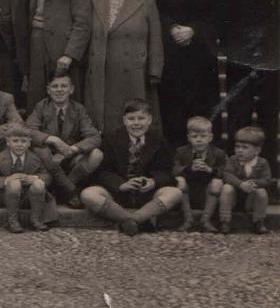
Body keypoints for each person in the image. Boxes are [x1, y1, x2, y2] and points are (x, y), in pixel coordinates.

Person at [154, 0, 222, 145]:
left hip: (200, 55)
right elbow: (157, 9)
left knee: (202, 106)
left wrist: (193, 30)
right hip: (172, 54)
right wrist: (172, 28)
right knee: (172, 107)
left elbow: (218, 15)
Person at [84, 0, 164, 133]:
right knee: (104, 118)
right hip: (102, 69)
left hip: (134, 72)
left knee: (133, 116)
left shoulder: (146, 1)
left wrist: (155, 71)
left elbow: (155, 38)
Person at [219, 0, 278, 164]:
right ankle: (237, 173)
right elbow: (224, 16)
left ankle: (269, 176)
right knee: (237, 116)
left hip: (272, 61)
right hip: (240, 61)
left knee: (269, 118)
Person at [80, 99, 183, 236]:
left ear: (149, 120)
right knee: (88, 194)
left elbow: (166, 171)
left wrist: (153, 182)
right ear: (124, 120)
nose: (136, 123)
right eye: (131, 119)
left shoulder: (159, 140)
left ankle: (134, 219)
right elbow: (102, 171)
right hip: (118, 193)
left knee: (175, 193)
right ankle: (136, 220)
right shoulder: (111, 139)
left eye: (141, 118)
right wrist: (121, 184)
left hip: (147, 194)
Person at [26, 0, 92, 109]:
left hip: (62, 47)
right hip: (36, 43)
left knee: (65, 98)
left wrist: (69, 54)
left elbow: (83, 21)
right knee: (38, 95)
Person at [26, 73, 103, 208]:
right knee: (40, 150)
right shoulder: (41, 107)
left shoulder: (78, 109)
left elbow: (94, 137)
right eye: (55, 86)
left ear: (71, 89)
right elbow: (29, 131)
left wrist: (73, 149)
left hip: (69, 158)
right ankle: (69, 191)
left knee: (97, 154)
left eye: (64, 86)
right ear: (48, 90)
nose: (59, 90)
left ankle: (64, 187)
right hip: (47, 159)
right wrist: (53, 139)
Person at [0, 123, 55, 233]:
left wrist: (34, 177)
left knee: (39, 184)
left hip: (29, 197)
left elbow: (47, 177)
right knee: (14, 184)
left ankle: (36, 219)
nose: (19, 145)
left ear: (29, 143)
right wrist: (8, 179)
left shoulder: (35, 158)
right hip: (6, 196)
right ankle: (12, 220)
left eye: (23, 141)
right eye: (15, 141)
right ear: (8, 142)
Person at [172, 116, 227, 233]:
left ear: (210, 137)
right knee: (180, 181)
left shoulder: (218, 153)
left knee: (216, 183)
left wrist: (210, 170)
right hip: (189, 191)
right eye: (194, 136)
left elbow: (225, 171)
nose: (199, 139)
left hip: (208, 192)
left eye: (203, 136)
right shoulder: (181, 152)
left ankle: (205, 220)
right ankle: (188, 220)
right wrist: (188, 169)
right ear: (188, 138)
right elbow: (174, 169)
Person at [219, 126, 272, 235]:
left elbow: (267, 180)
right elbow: (227, 174)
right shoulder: (233, 160)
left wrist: (254, 183)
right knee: (227, 187)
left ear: (257, 150)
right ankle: (225, 221)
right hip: (234, 198)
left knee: (261, 191)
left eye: (245, 147)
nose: (239, 150)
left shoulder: (262, 163)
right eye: (237, 146)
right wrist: (240, 184)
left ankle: (259, 222)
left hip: (251, 201)